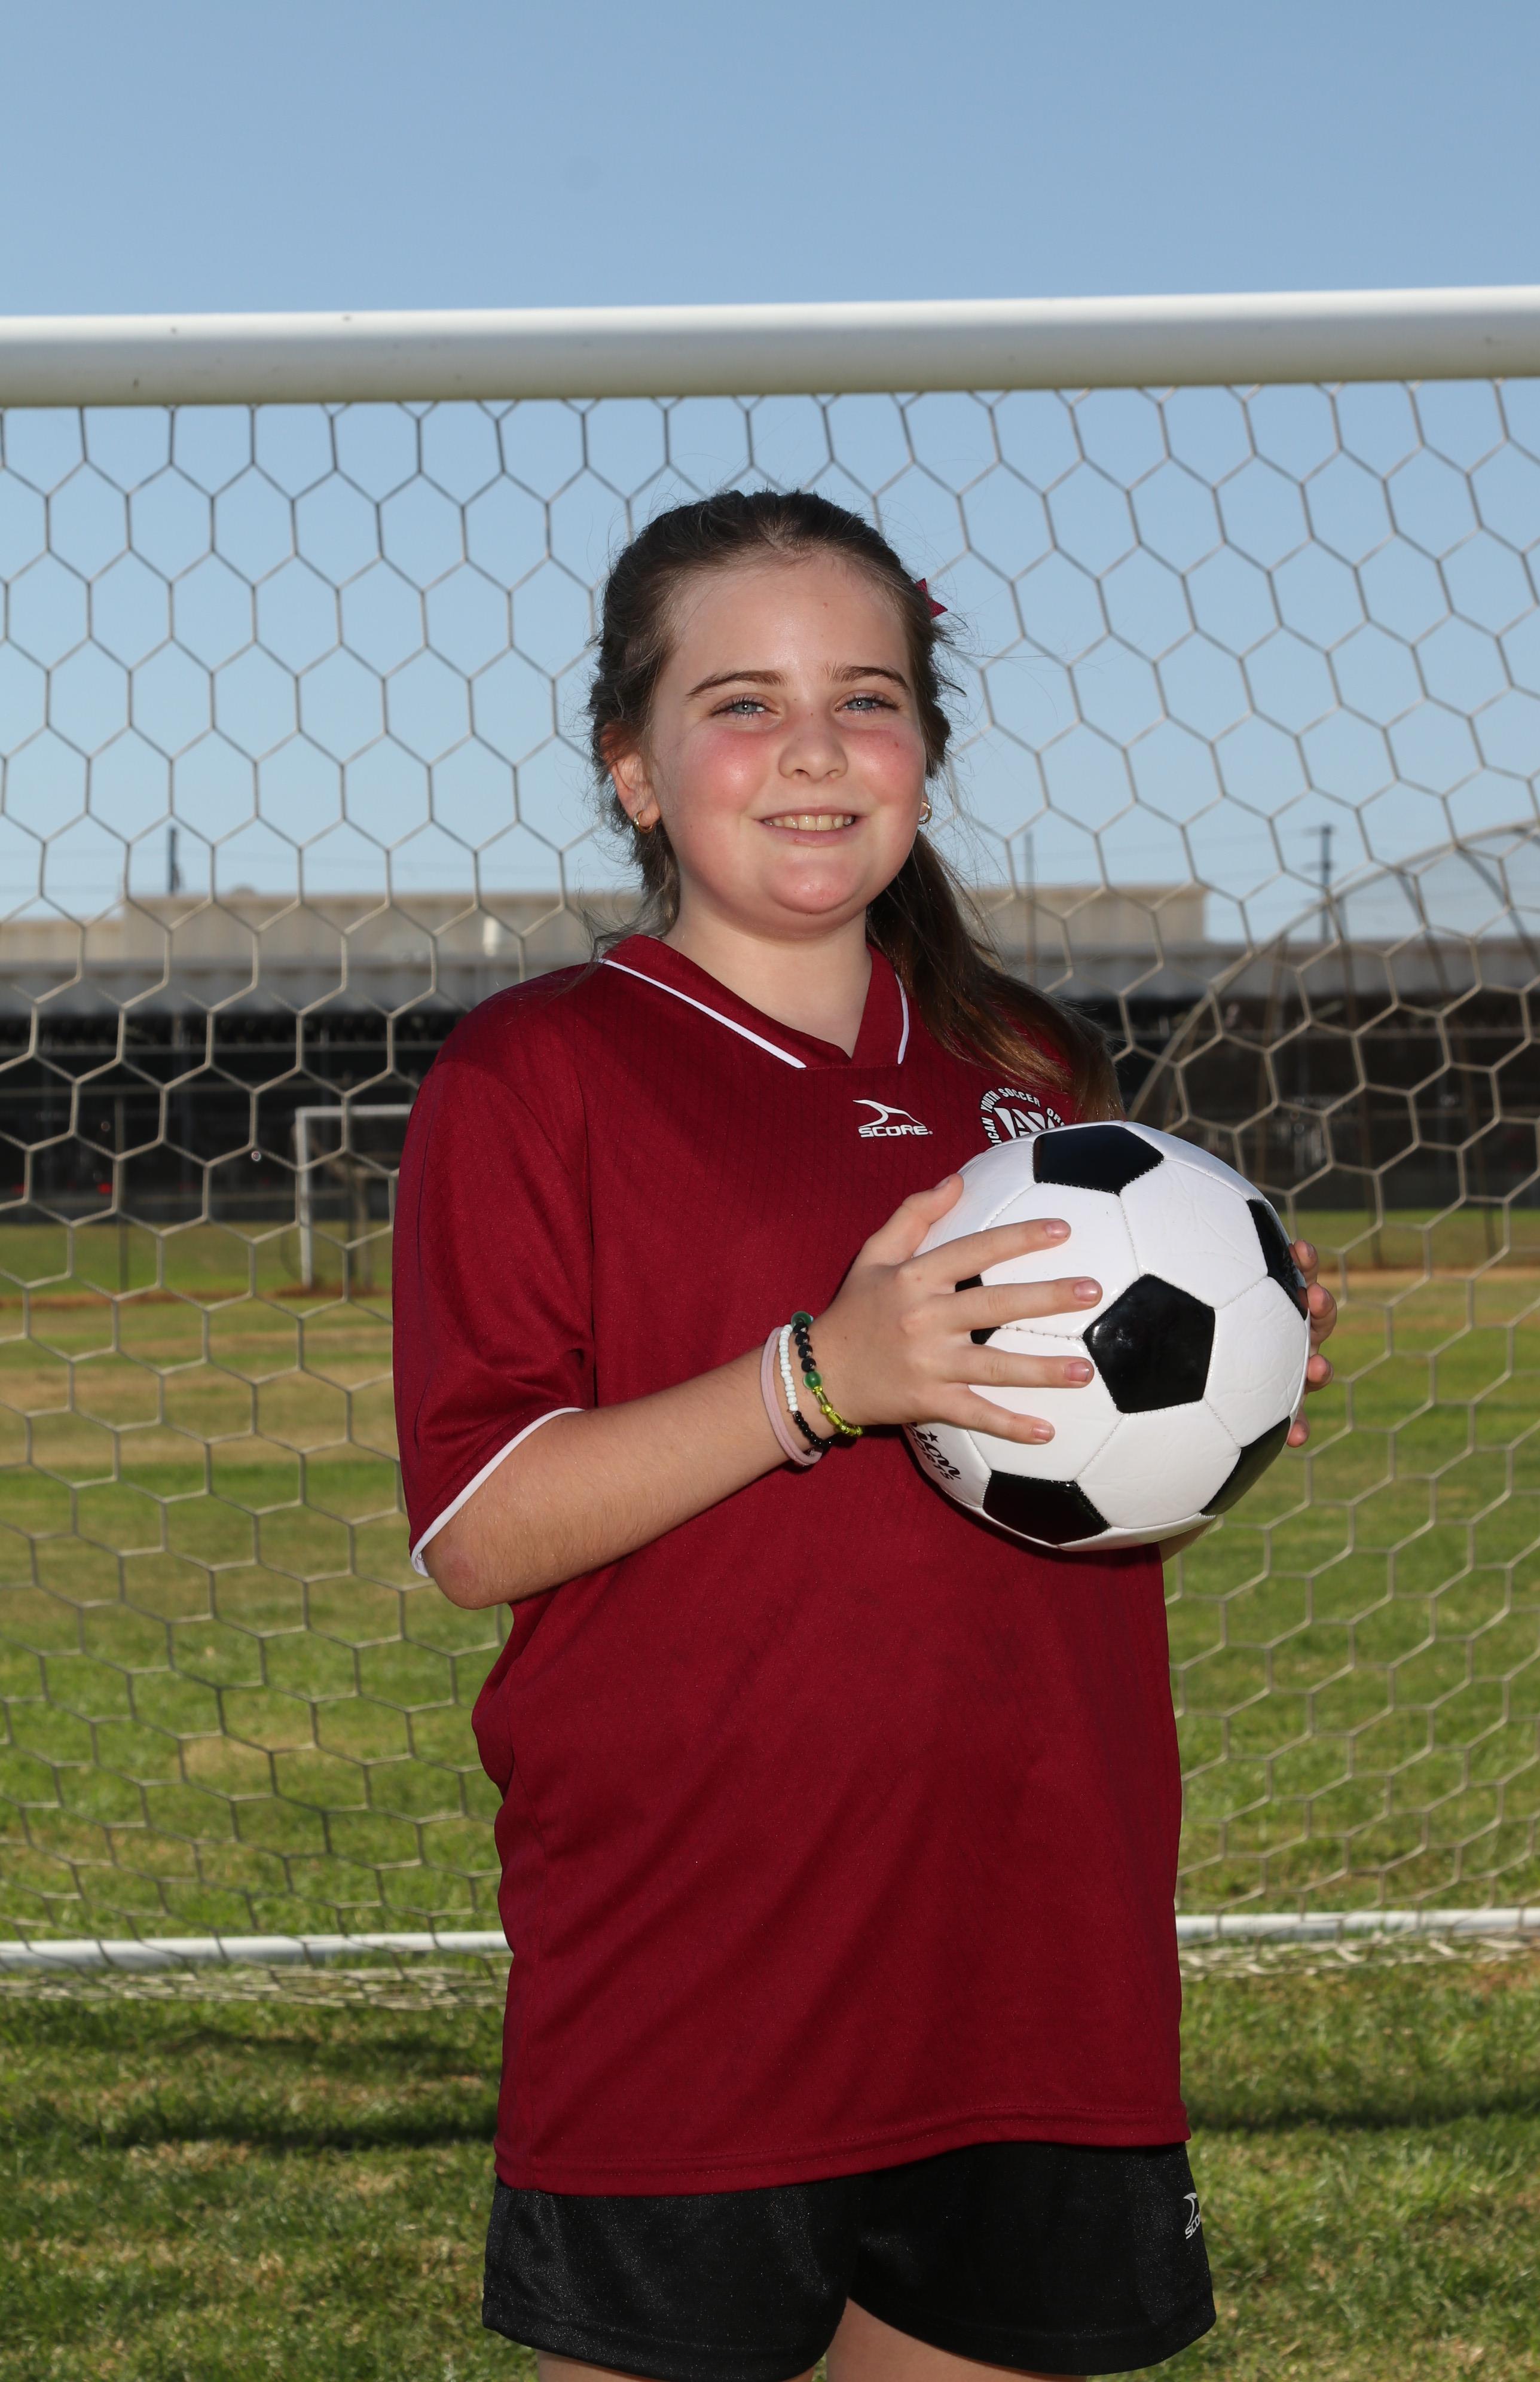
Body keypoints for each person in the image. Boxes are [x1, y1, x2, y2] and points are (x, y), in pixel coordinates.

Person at [392, 490, 1337, 2382]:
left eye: (869, 699)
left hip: (1034, 1950)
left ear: (927, 749)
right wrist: (819, 1379)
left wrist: (1224, 1390)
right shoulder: (541, 1071)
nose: (815, 749)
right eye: (743, 702)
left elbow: (1050, 1508)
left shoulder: (1033, 1082)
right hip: (698, 1968)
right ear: (634, 766)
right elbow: (479, 1529)